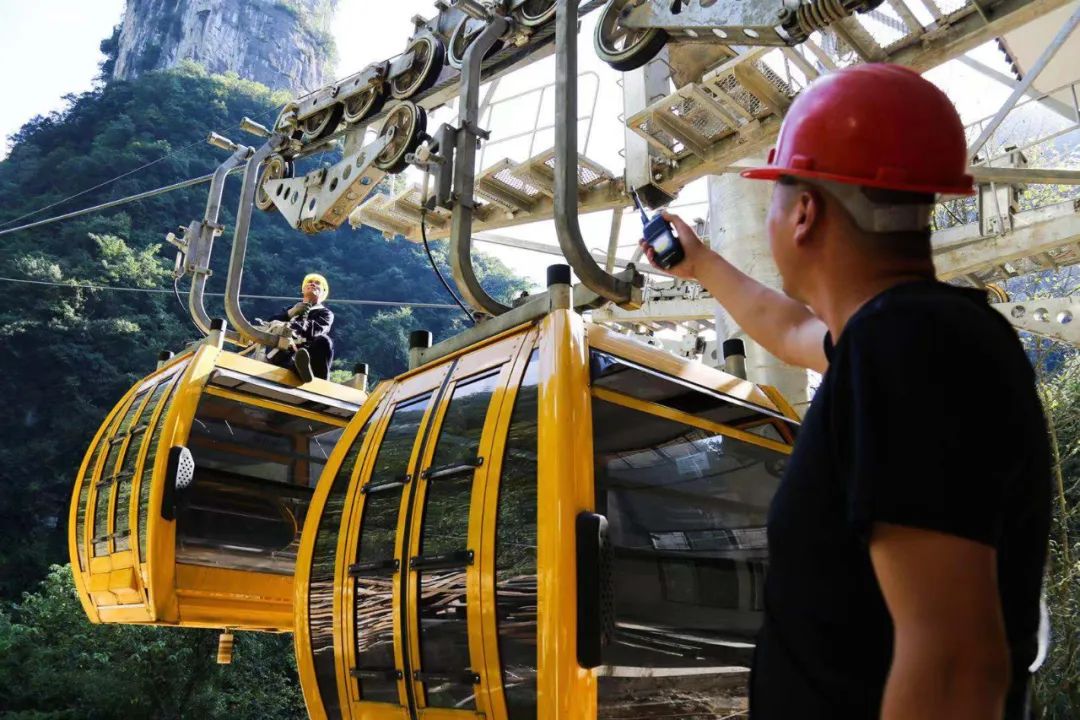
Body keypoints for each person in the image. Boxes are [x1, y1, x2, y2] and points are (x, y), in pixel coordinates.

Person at [641, 64, 1050, 719]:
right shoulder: (901, 338)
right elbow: (792, 328)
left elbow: (955, 665)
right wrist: (701, 264)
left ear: (804, 212)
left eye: (776, 191)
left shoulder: (909, 345)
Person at [267, 273, 334, 382]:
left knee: (324, 341)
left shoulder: (325, 313)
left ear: (323, 292)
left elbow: (315, 329)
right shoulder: (290, 310)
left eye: (317, 283)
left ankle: (306, 369)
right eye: (310, 282)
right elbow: (270, 324)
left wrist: (290, 327)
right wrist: (290, 313)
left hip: (308, 354)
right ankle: (296, 366)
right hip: (282, 354)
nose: (312, 284)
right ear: (303, 289)